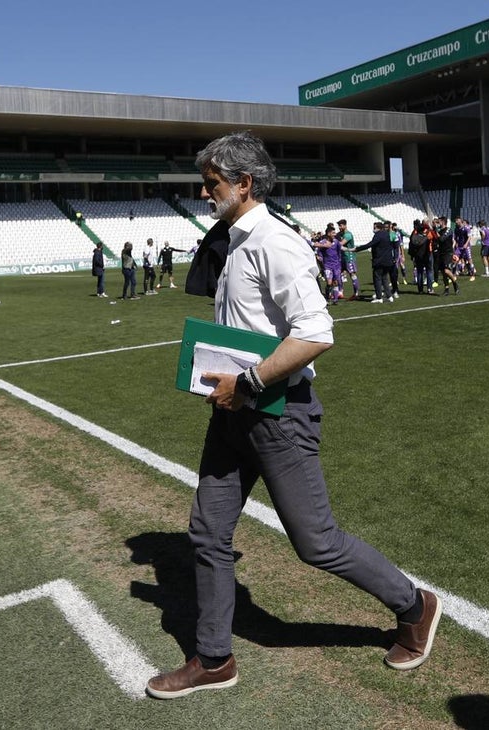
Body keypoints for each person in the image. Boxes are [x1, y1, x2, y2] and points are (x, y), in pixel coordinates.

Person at [145, 131, 440, 700]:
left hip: (280, 414)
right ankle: (214, 658)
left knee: (316, 543)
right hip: (233, 413)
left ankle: (414, 605)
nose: (204, 194)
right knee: (207, 532)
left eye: (211, 184)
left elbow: (316, 333)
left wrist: (249, 382)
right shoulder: (233, 241)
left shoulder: (275, 242)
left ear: (244, 184)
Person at [355, 222, 396, 304]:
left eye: (374, 228)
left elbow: (370, 244)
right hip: (388, 261)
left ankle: (379, 297)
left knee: (377, 279)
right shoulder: (386, 234)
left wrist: (357, 249)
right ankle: (389, 296)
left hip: (380, 261)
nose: (373, 229)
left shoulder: (378, 235)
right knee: (385, 278)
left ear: (378, 228)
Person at [435, 217, 460, 296]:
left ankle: (455, 284)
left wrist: (436, 231)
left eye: (439, 222)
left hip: (448, 253)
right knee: (443, 272)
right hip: (441, 253)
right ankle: (446, 289)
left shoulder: (448, 230)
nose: (438, 223)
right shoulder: (439, 231)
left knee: (446, 270)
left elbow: (442, 239)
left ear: (443, 222)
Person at [409, 220, 433, 295]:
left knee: (419, 272)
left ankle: (420, 290)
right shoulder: (428, 234)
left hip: (418, 255)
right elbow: (433, 239)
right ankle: (429, 288)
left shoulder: (414, 234)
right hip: (427, 254)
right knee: (429, 271)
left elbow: (411, 244)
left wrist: (412, 255)